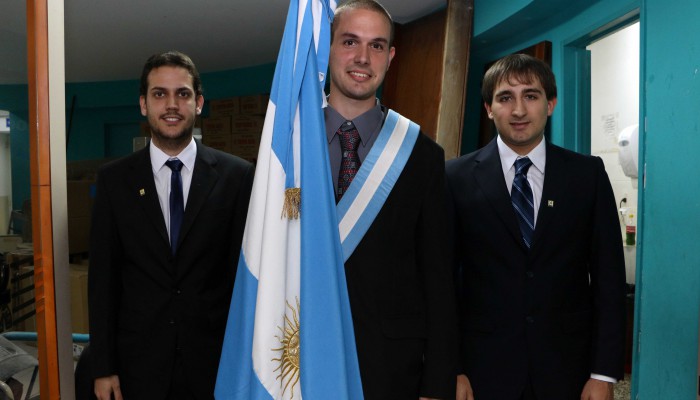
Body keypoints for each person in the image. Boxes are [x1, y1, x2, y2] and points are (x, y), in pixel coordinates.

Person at [446, 53, 626, 400]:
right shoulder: (455, 178)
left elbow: (609, 279)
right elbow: (445, 281)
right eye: (505, 98)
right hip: (482, 371)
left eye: (530, 95)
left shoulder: (587, 176)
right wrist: (452, 368)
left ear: (550, 104)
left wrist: (603, 373)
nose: (518, 110)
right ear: (488, 108)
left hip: (568, 370)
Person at [87, 51, 254, 400]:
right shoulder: (114, 181)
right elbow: (103, 281)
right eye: (159, 94)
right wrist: (103, 367)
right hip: (138, 368)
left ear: (199, 103)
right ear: (143, 104)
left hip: (214, 365)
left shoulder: (237, 177)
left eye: (183, 94)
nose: (172, 105)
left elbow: (243, 277)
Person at [325, 1, 457, 399]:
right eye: (350, 41)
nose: (363, 58)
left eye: (377, 45)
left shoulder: (422, 155)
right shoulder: (288, 148)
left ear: (391, 56)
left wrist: (436, 384)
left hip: (391, 369)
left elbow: (438, 277)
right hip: (297, 358)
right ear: (328, 48)